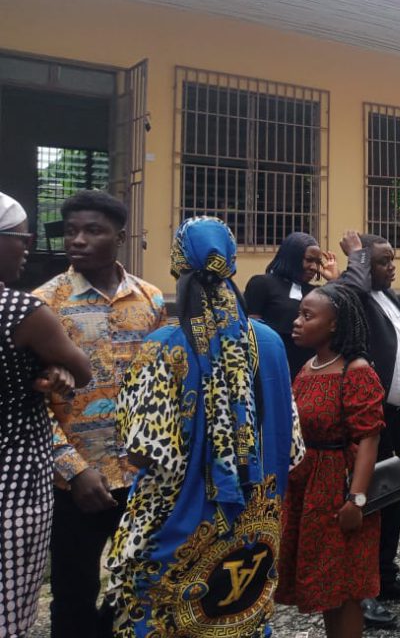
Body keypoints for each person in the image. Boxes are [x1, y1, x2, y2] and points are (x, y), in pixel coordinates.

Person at [104, 216, 305, 638]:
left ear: (178, 268)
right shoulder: (271, 343)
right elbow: (292, 448)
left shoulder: (162, 348)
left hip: (176, 530)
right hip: (255, 530)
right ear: (231, 266)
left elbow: (142, 453)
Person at [32, 189, 166, 638]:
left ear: (120, 237)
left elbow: (160, 388)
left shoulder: (151, 301)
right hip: (76, 483)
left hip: (142, 475)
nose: (78, 240)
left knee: (140, 587)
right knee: (74, 592)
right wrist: (73, 470)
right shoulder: (44, 304)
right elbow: (30, 403)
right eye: (71, 231)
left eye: (93, 230)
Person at [0, 191, 91, 637]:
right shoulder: (24, 309)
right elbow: (82, 370)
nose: (29, 246)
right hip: (15, 479)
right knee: (10, 603)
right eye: (22, 237)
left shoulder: (149, 299)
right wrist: (57, 368)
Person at [276, 282, 385, 638]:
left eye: (308, 316)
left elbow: (369, 438)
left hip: (340, 487)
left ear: (334, 323)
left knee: (347, 585)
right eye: (299, 314)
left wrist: (357, 499)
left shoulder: (356, 370)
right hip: (308, 489)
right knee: (326, 584)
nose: (297, 322)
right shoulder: (308, 367)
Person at [338, 231, 400, 629]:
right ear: (364, 266)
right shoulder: (355, 299)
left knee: (394, 498)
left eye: (392, 259)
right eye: (382, 261)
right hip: (371, 422)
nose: (391, 267)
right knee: (369, 506)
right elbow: (350, 289)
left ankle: (386, 576)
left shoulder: (390, 297)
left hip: (398, 418)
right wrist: (356, 257)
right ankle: (362, 592)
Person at [245, 232, 337, 379]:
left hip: (307, 373)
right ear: (292, 257)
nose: (314, 267)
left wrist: (334, 280)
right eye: (309, 260)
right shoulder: (262, 284)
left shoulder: (316, 293)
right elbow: (252, 331)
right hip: (270, 370)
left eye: (318, 262)